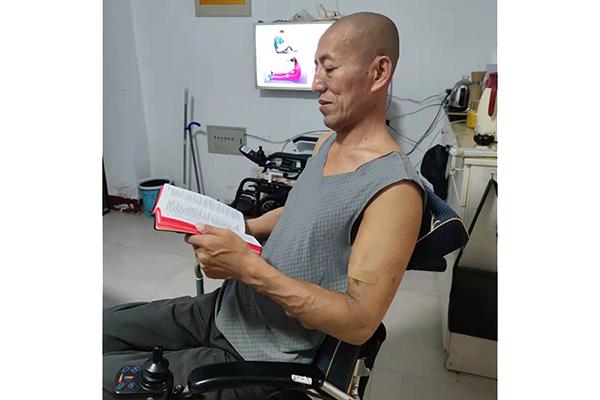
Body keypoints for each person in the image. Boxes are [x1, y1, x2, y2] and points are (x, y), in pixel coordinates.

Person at [103, 12, 423, 400]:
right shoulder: (326, 145)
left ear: (379, 72)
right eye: (315, 68)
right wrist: (246, 226)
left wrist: (248, 268)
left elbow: (358, 322)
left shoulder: (395, 193)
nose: (315, 83)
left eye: (330, 69)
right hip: (226, 309)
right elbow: (303, 212)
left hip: (259, 354)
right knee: (104, 328)